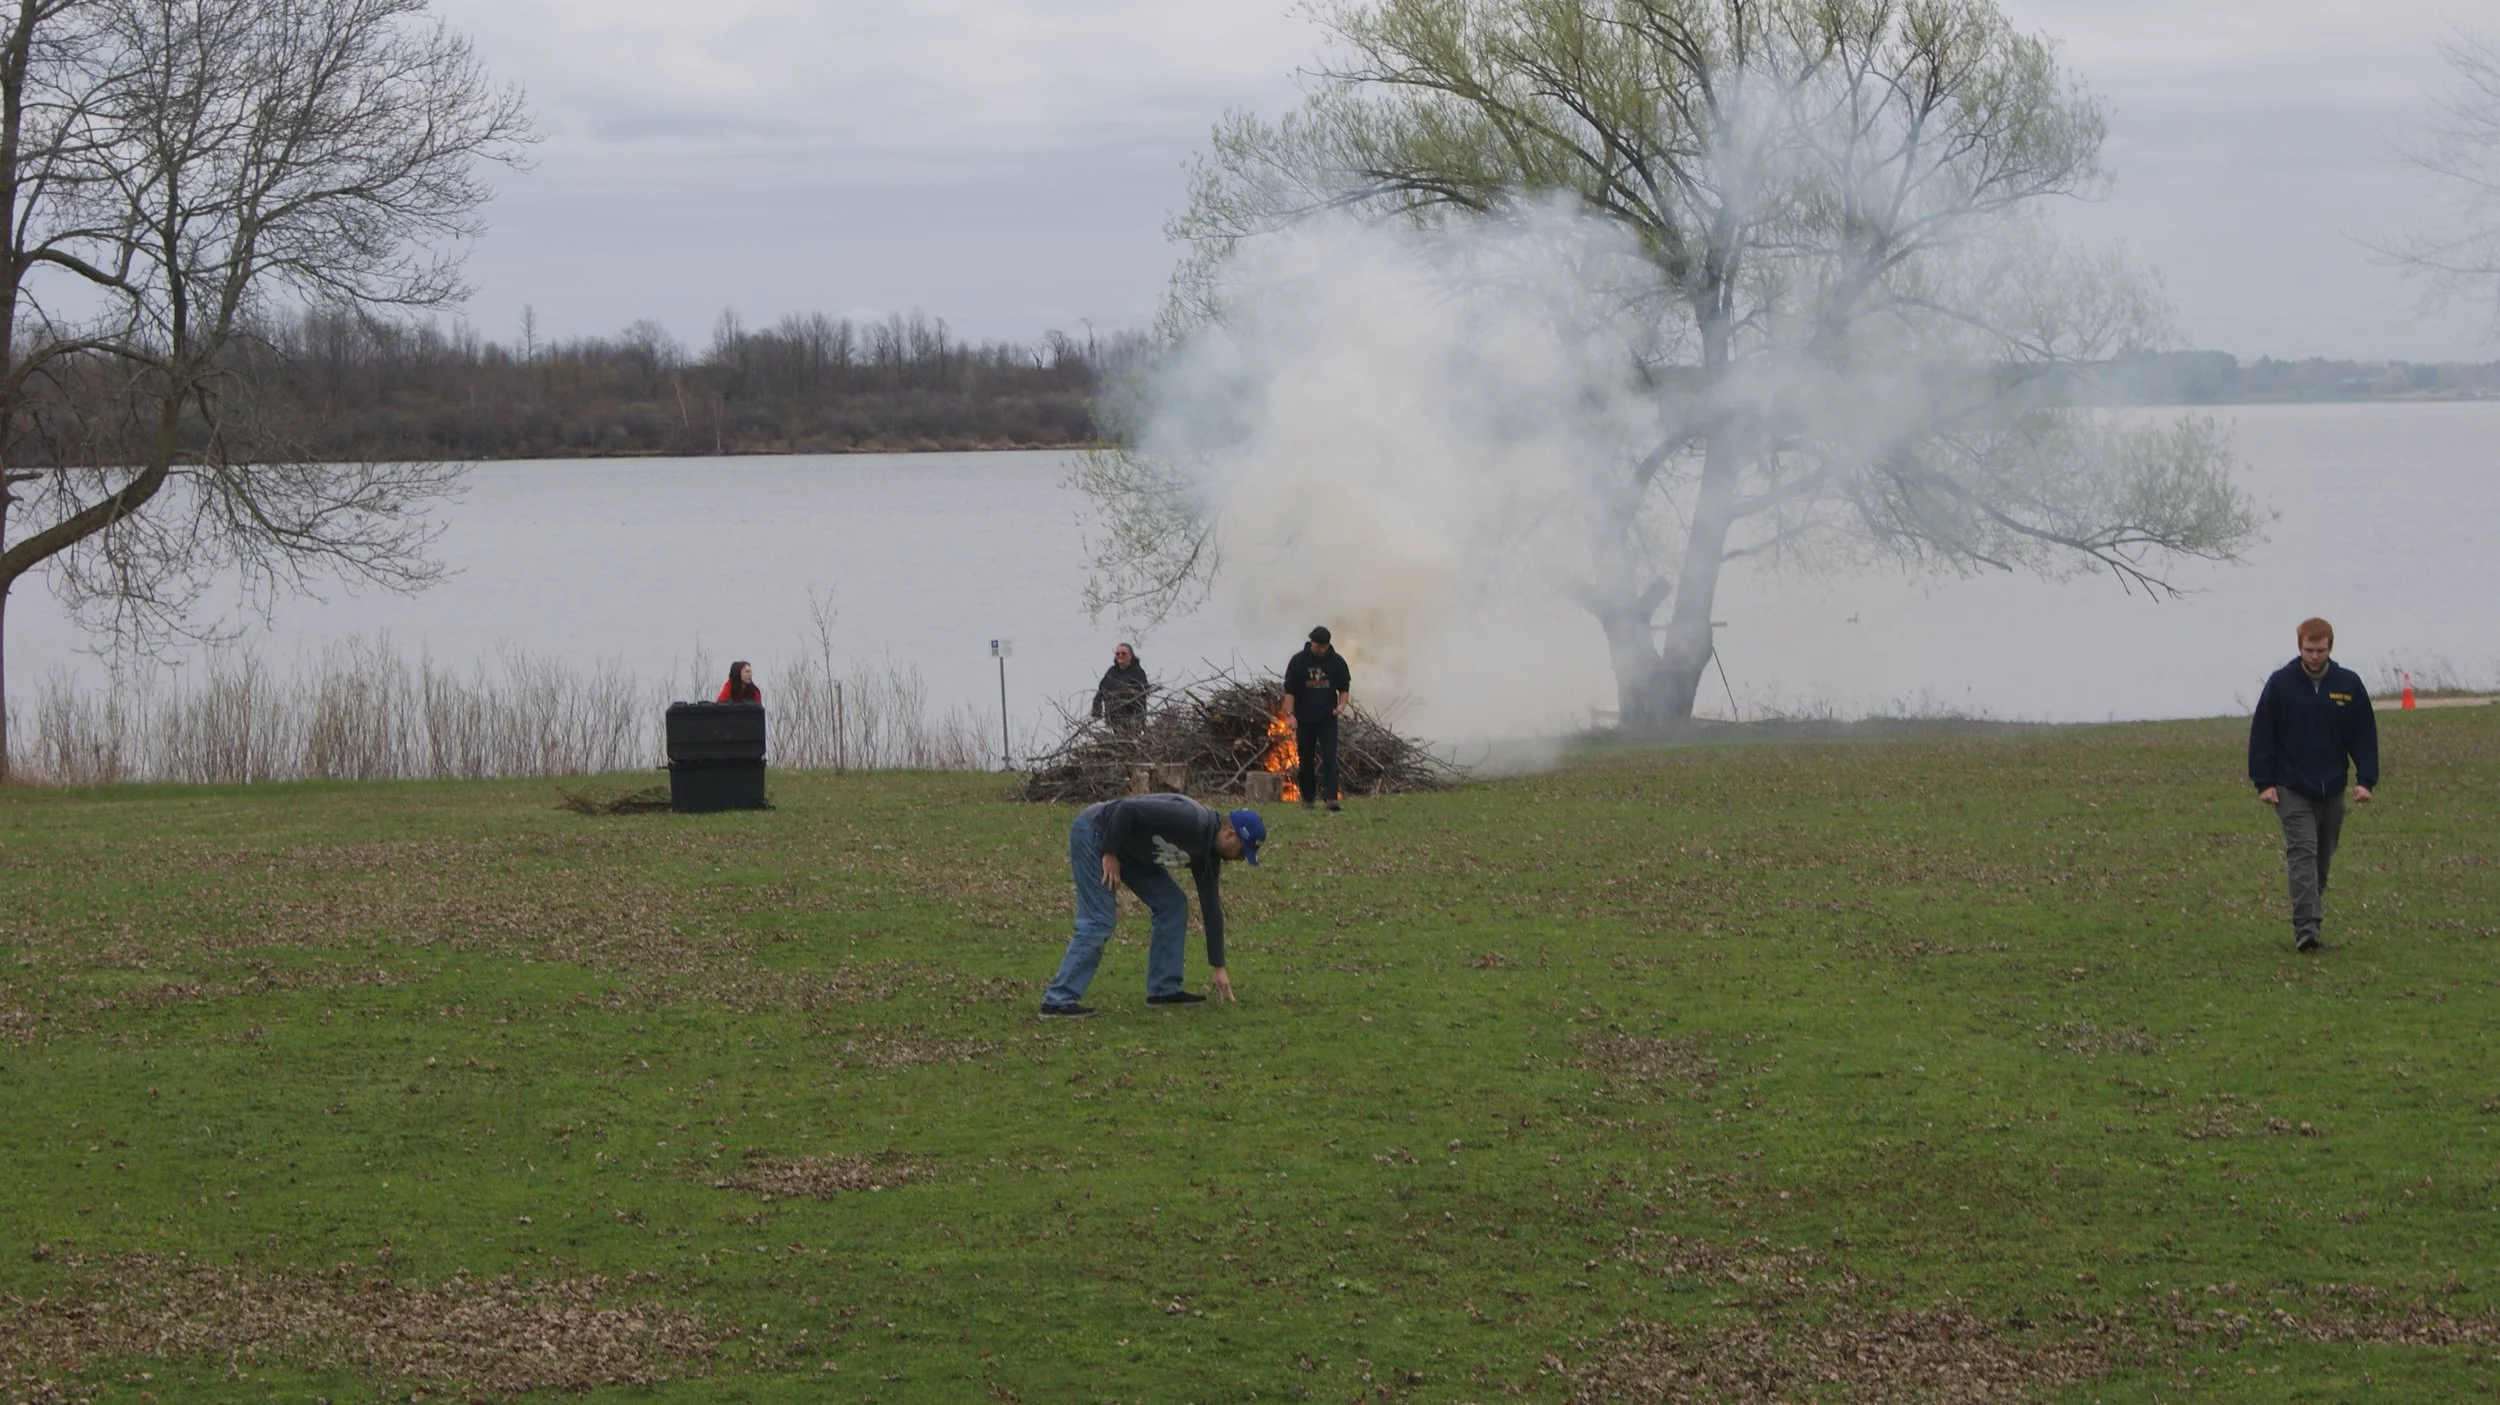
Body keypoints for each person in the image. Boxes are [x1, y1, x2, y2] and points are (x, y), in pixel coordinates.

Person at [1041, 794, 1266, 1018]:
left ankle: (1163, 990)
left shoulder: (1208, 854)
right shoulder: (1189, 818)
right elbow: (1126, 809)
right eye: (1241, 852)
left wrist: (1218, 968)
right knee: (1099, 920)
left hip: (1132, 852)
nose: (1239, 860)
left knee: (1173, 904)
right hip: (1097, 833)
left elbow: (1211, 908)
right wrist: (1109, 852)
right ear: (1230, 834)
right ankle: (1058, 1001)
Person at [2248, 617, 2378, 953]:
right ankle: (2307, 930)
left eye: (2320, 650)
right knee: (2302, 851)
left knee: (2321, 858)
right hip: (2291, 787)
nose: (2315, 656)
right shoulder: (2280, 685)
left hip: (2332, 786)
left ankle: (2310, 909)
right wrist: (2264, 782)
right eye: (2309, 650)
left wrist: (2366, 780)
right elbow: (2263, 735)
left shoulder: (2348, 685)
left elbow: (2363, 735)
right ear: (2299, 647)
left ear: (2330, 647)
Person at [1282, 625, 1352, 811]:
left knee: (1329, 757)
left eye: (1325, 646)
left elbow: (1344, 688)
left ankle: (1330, 798)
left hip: (1327, 718)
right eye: (1319, 645)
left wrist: (1341, 705)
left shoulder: (1336, 662)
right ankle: (1308, 798)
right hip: (1304, 718)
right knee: (1305, 759)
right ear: (1311, 642)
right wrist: (1290, 715)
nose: (1322, 649)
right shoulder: (1299, 661)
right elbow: (1290, 692)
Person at [1091, 643, 1150, 729]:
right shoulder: (1111, 671)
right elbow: (1101, 691)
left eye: (1123, 653)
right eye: (1117, 654)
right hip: (1113, 718)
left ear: (1130, 656)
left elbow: (1144, 692)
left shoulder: (1138, 672)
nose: (1120, 655)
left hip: (1132, 719)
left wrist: (1129, 691)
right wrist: (1096, 711)